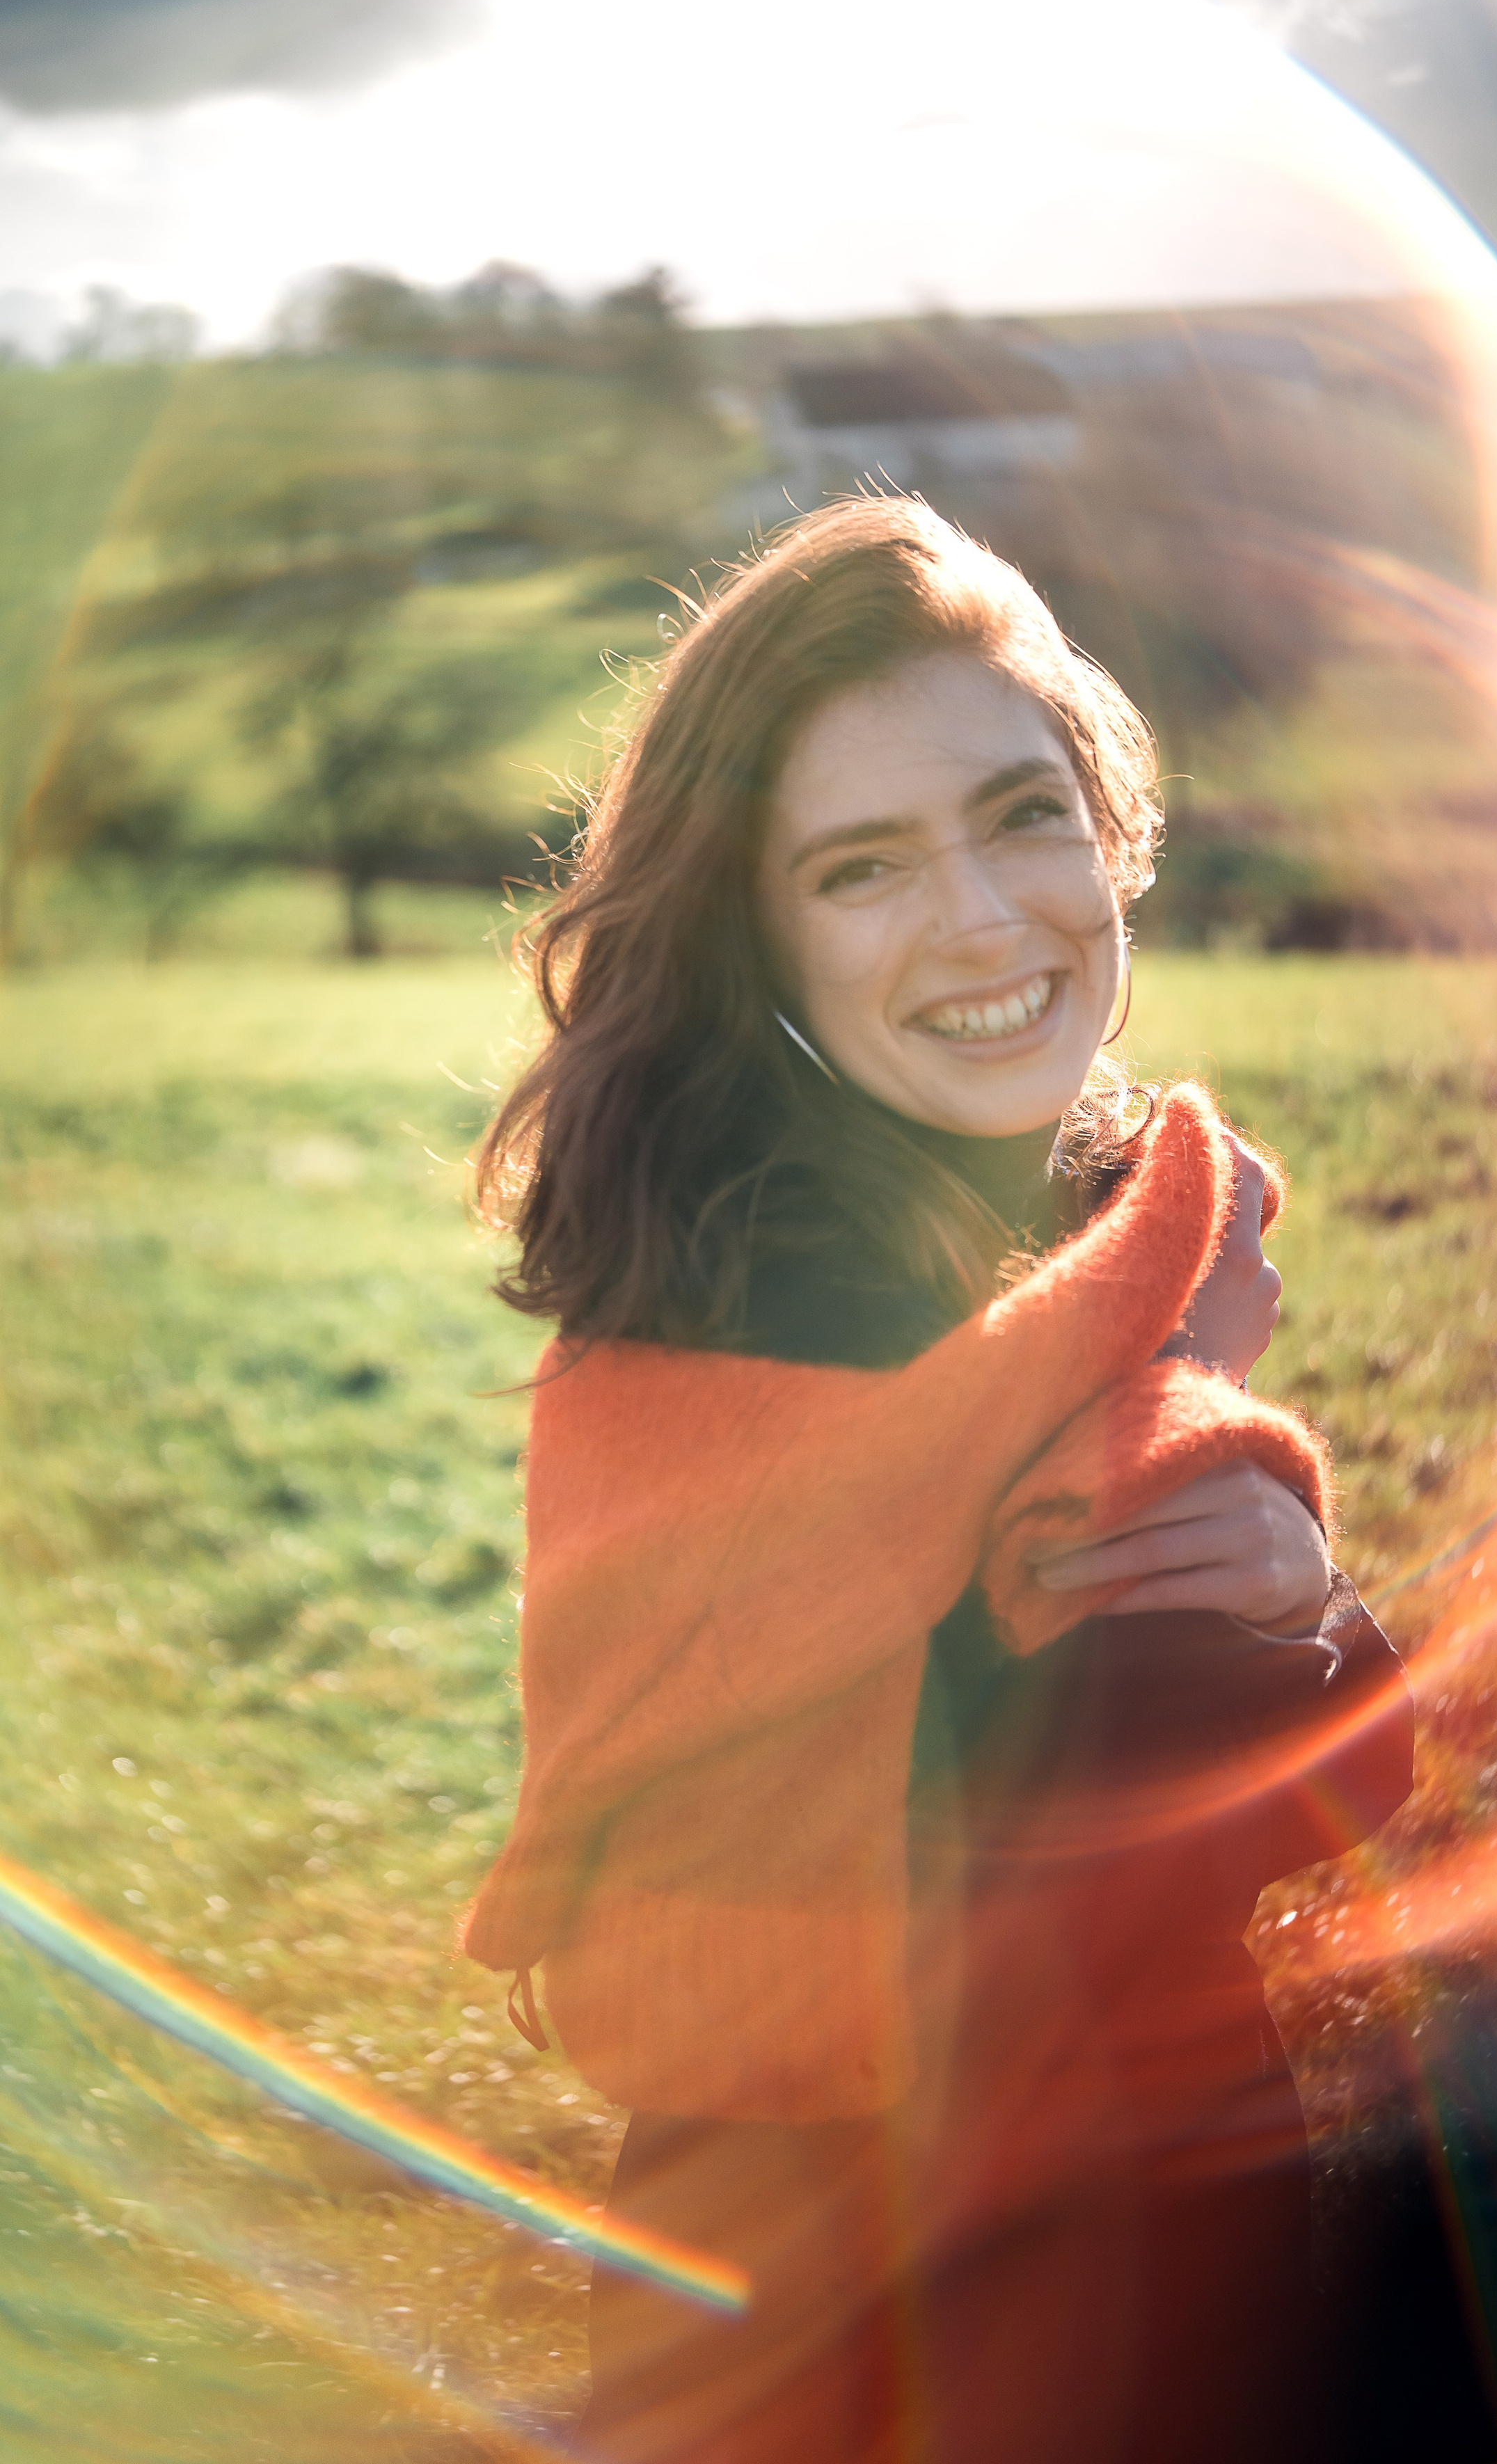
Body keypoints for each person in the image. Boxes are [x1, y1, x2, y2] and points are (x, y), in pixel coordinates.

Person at [462, 495, 1413, 2463]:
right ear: (756, 932)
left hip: (1167, 2260)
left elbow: (1309, 1779)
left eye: (1021, 814)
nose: (985, 920)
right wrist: (1195, 1463)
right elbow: (1104, 1865)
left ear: (1110, 827)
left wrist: (1297, 1605)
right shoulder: (754, 1310)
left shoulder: (1110, 1241)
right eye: (865, 865)